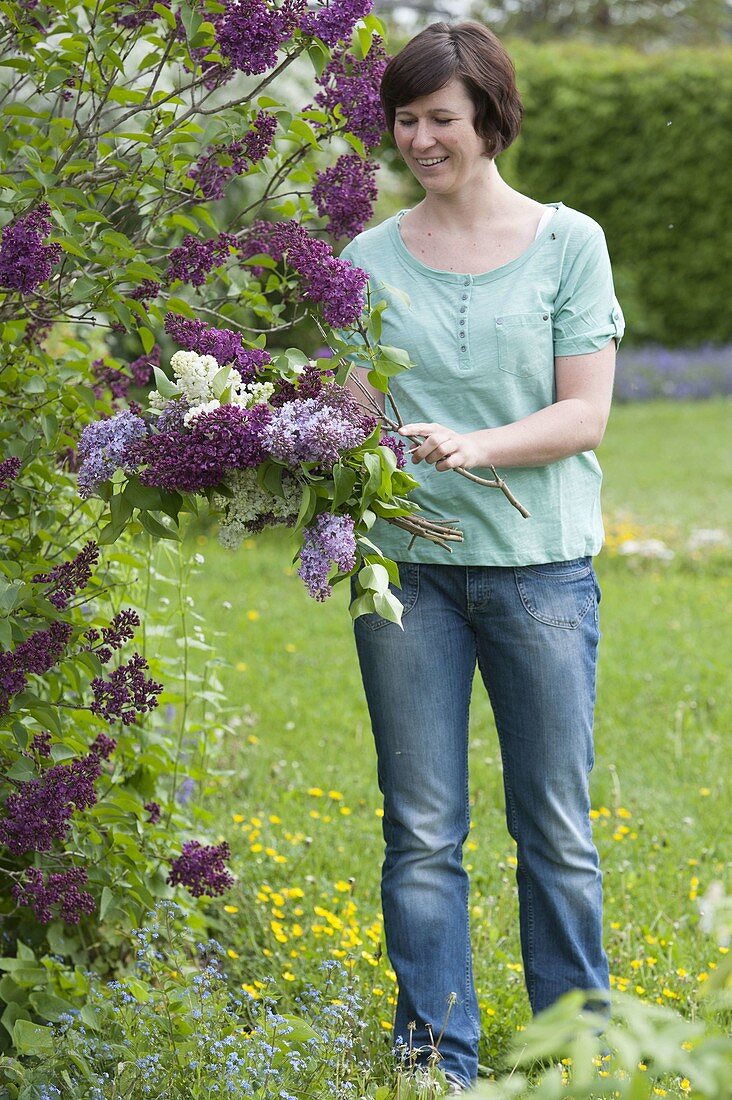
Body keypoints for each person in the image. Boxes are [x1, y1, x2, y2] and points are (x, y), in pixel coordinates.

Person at [339, 20, 625, 1095]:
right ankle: (437, 1062)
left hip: (540, 569)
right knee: (420, 830)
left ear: (489, 117)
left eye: (441, 118)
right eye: (406, 119)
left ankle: (579, 1053)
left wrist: (480, 444)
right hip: (405, 574)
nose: (421, 138)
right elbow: (355, 415)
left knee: (553, 823)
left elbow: (585, 414)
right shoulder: (367, 258)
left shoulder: (568, 242)